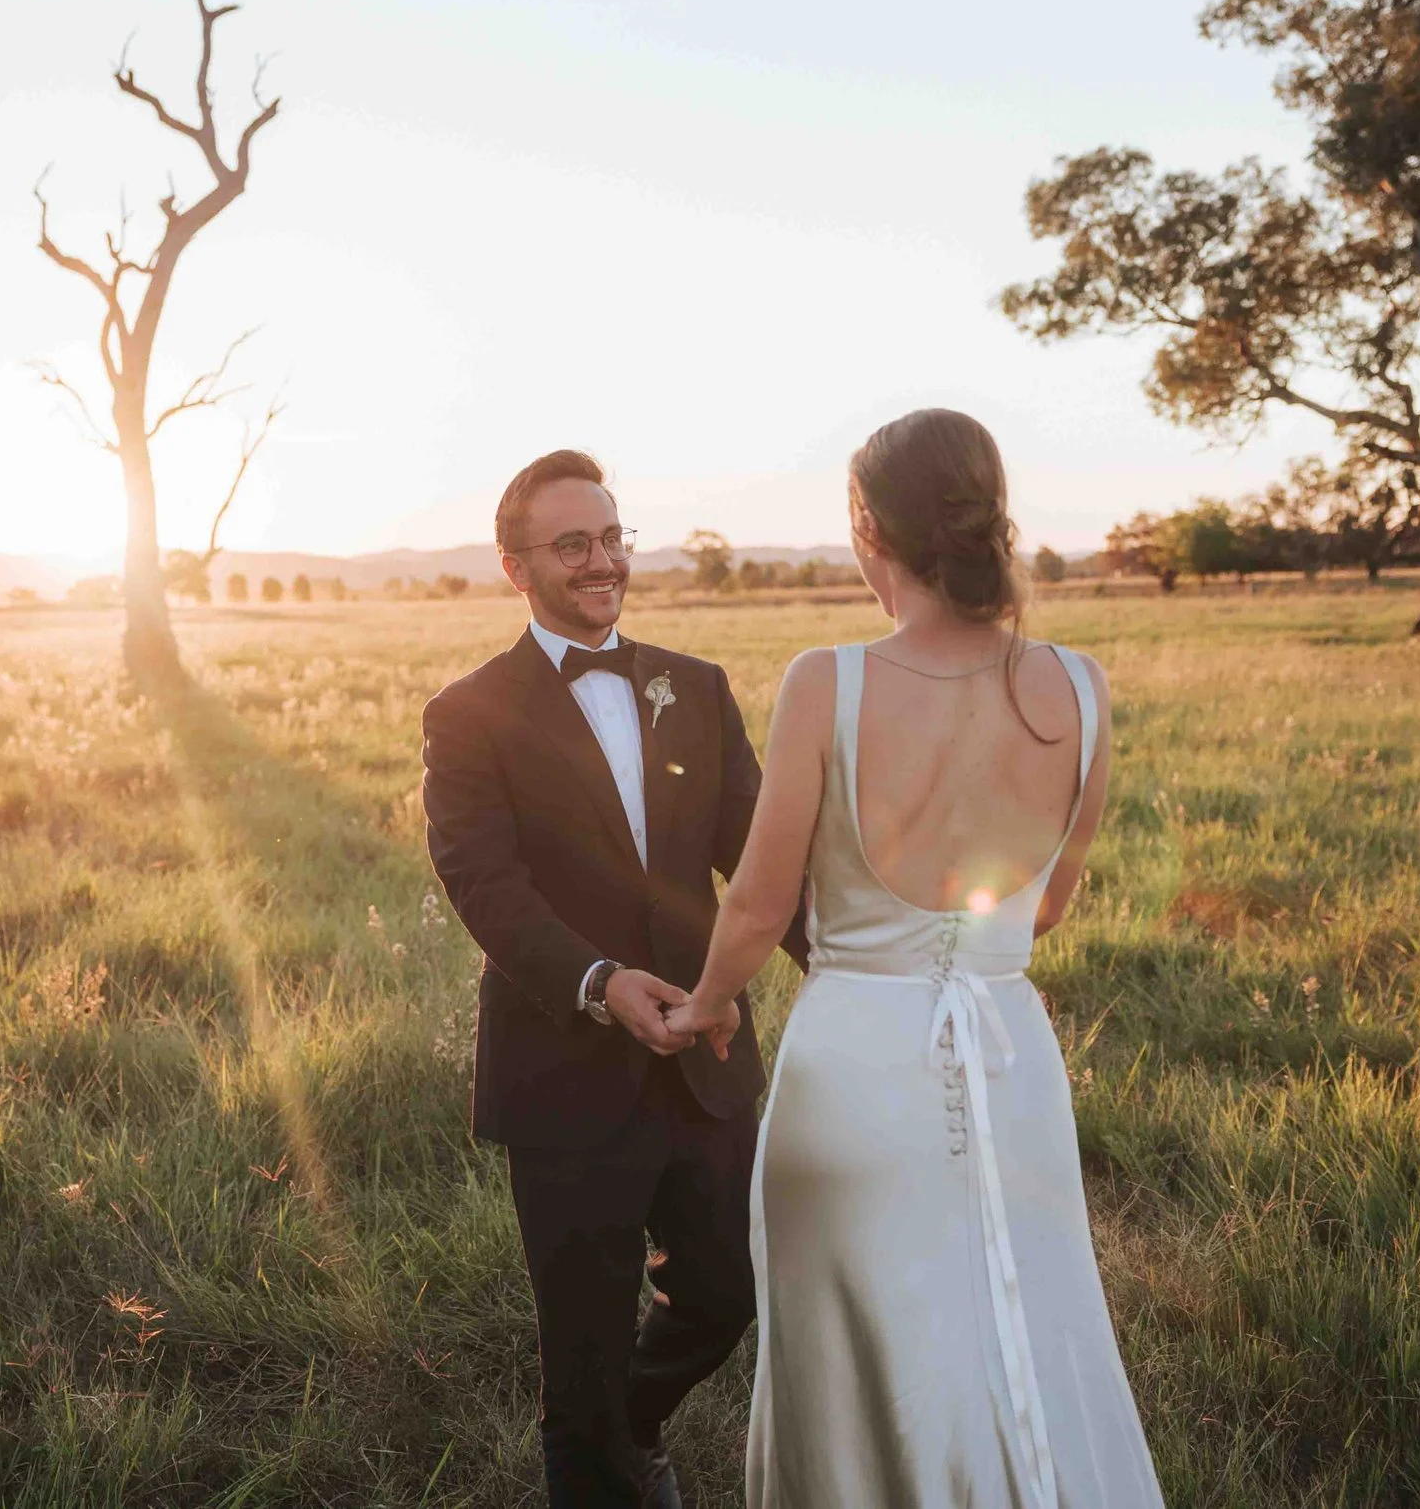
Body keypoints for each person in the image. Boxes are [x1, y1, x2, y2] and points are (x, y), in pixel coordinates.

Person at [667, 409, 1163, 1507]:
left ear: (865, 526)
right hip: (1009, 1060)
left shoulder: (825, 680)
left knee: (858, 1348)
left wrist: (705, 1002)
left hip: (852, 1064)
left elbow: (755, 902)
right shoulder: (1079, 687)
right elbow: (1041, 912)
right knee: (1024, 1319)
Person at [421, 450, 808, 1509]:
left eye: (612, 536)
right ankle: (599, 1450)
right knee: (580, 1349)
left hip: (705, 1049)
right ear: (516, 567)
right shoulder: (468, 713)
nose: (602, 562)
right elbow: (482, 884)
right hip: (564, 1071)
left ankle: (626, 1428)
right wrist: (598, 980)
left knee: (728, 1289)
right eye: (572, 544)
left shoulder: (698, 684)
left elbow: (762, 865)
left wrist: (869, 972)